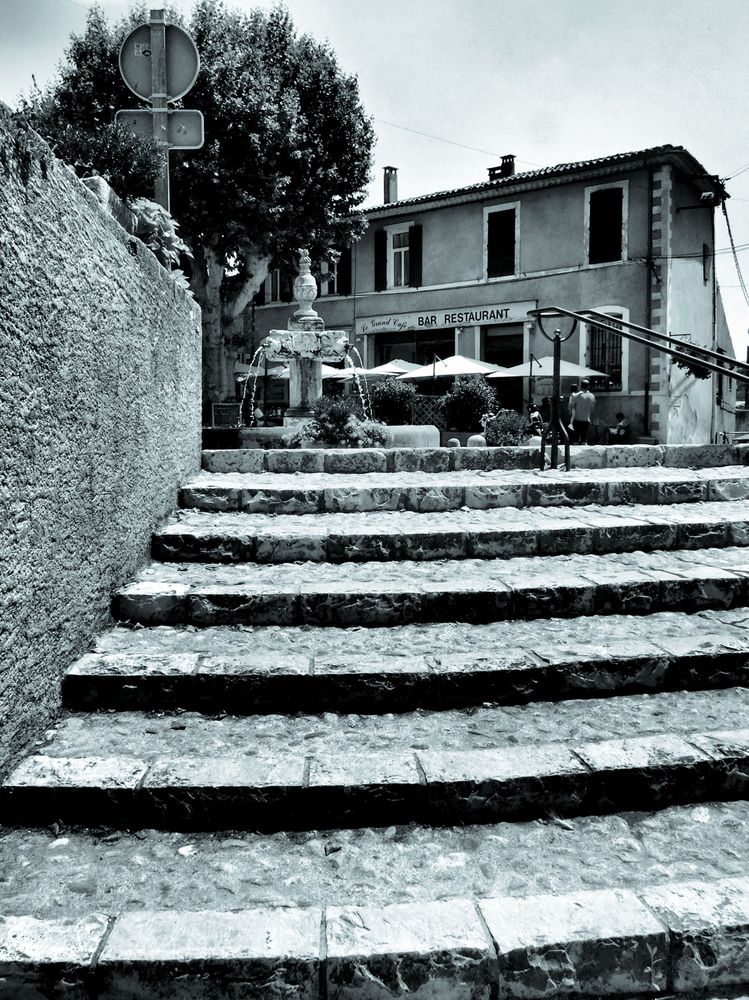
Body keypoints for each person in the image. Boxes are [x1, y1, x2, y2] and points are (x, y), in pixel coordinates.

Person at [570, 379, 595, 444]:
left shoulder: (578, 396)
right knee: (584, 439)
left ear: (581, 386)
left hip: (577, 419)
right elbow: (592, 408)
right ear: (588, 386)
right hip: (586, 419)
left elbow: (571, 406)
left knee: (576, 439)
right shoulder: (592, 396)